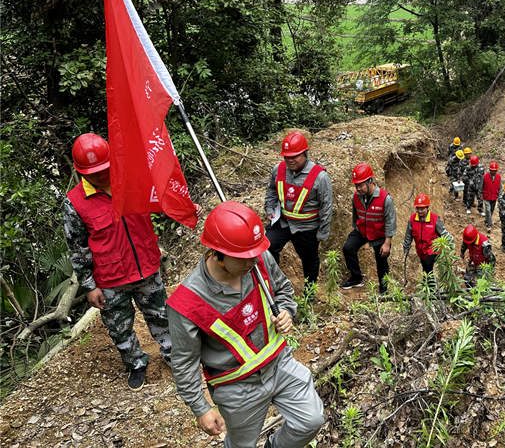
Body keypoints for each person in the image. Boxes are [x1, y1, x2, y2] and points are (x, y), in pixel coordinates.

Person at [167, 201, 324, 448]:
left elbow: (282, 288)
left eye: (254, 253)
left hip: (279, 363)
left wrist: (285, 310)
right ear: (217, 255)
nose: (252, 261)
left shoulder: (256, 258)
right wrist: (201, 408)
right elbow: (184, 362)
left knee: (311, 420)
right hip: (236, 385)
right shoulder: (186, 304)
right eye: (242, 258)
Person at [63, 133, 171, 391]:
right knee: (120, 329)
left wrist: (184, 208)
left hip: (146, 268)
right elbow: (77, 249)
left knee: (162, 318)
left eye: (104, 169)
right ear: (81, 172)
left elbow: (163, 200)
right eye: (93, 172)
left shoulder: (132, 181)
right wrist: (90, 287)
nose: (100, 176)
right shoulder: (75, 203)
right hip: (110, 281)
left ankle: (173, 356)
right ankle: (136, 364)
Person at [264, 131, 333, 292]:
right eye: (286, 157)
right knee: (267, 248)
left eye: (294, 156)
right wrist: (269, 208)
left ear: (305, 153)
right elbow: (271, 190)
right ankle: (275, 286)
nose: (290, 160)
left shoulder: (320, 177)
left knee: (309, 261)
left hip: (307, 227)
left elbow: (326, 207)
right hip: (283, 221)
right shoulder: (278, 169)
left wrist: (322, 234)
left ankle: (309, 295)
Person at [340, 163, 397, 293]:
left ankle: (384, 291)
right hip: (362, 230)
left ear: (370, 181)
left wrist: (387, 243)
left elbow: (390, 222)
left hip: (379, 234)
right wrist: (356, 229)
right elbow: (356, 215)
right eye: (356, 185)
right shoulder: (356, 196)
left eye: (360, 185)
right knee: (348, 248)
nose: (358, 188)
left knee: (381, 263)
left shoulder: (385, 199)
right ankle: (356, 278)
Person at [402, 193, 453, 276]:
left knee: (428, 270)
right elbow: (408, 236)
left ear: (427, 207)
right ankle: (428, 284)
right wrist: (406, 250)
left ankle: (429, 285)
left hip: (432, 251)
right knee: (426, 269)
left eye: (422, 209)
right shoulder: (412, 220)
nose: (420, 211)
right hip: (421, 251)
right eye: (418, 208)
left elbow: (445, 234)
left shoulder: (435, 219)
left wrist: (451, 248)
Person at [481, 161, 502, 229]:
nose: (493, 172)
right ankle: (489, 224)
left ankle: (487, 220)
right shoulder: (485, 176)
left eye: (495, 171)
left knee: (491, 210)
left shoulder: (499, 177)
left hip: (494, 196)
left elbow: (500, 187)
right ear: (489, 170)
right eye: (492, 170)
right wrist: (480, 195)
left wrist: (500, 196)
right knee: (487, 209)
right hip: (486, 196)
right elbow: (480, 186)